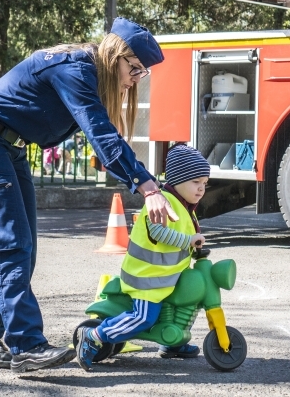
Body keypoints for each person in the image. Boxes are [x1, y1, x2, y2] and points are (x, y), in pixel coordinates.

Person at [0, 17, 177, 373]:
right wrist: (147, 186)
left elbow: (103, 135)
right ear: (115, 54)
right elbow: (102, 135)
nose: (136, 77)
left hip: (7, 147)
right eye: (134, 68)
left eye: (142, 73)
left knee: (22, 247)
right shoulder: (76, 69)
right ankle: (26, 345)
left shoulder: (91, 74)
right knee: (10, 244)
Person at [76, 143, 210, 371]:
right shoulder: (160, 202)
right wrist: (187, 241)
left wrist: (194, 247)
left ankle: (172, 343)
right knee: (144, 318)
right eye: (195, 182)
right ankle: (93, 335)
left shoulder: (185, 206)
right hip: (146, 277)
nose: (201, 189)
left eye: (205, 184)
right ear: (177, 181)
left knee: (186, 301)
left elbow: (183, 232)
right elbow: (158, 232)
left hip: (166, 276)